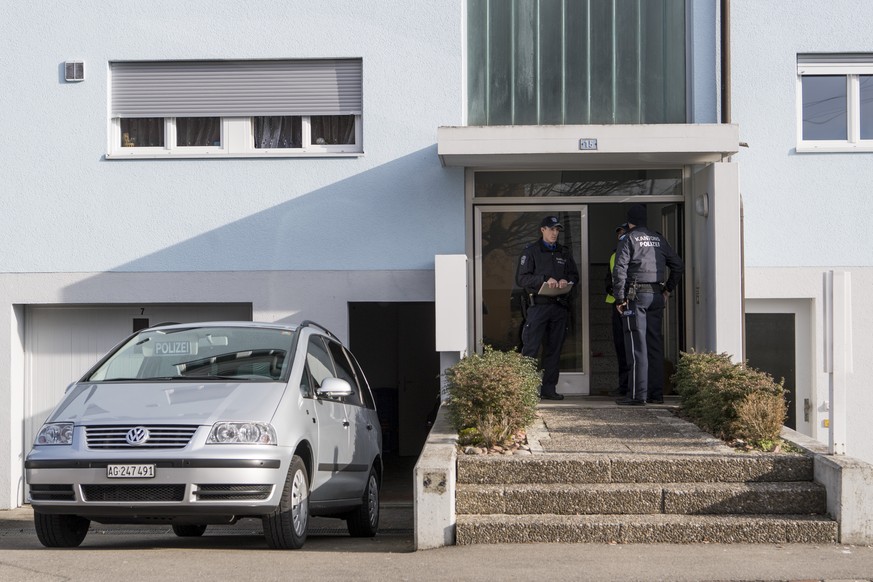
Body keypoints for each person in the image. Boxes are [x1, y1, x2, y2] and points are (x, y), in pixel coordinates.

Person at [612, 204, 684, 406]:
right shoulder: (659, 238)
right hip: (656, 296)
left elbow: (620, 270)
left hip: (636, 297)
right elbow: (678, 265)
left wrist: (620, 298)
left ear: (629, 221)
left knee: (636, 345)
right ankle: (655, 394)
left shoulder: (628, 238)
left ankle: (637, 395)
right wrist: (667, 289)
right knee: (654, 345)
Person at [515, 215, 580, 401]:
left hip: (559, 307)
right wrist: (544, 279)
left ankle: (549, 389)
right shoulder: (531, 251)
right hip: (538, 307)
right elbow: (522, 279)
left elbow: (575, 276)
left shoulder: (563, 253)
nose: (554, 233)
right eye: (551, 229)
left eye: (557, 230)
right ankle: (524, 391)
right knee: (531, 348)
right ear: (542, 230)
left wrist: (566, 281)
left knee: (554, 349)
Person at [605, 223, 630, 397]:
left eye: (624, 234)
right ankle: (623, 386)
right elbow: (609, 279)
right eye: (619, 234)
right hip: (617, 306)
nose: (620, 237)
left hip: (631, 305)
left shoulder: (636, 255)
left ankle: (633, 386)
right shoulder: (614, 255)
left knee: (632, 349)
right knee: (620, 348)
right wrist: (612, 292)